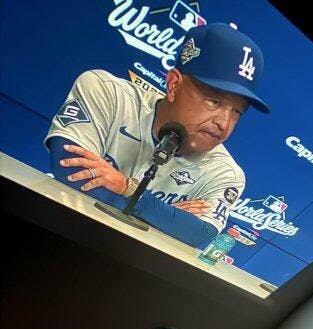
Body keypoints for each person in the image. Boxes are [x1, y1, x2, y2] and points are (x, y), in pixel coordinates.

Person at [45, 22, 270, 248]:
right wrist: (165, 216)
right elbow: (69, 168)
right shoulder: (107, 92)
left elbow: (199, 234)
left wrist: (127, 188)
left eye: (237, 112)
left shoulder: (227, 173)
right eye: (214, 101)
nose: (224, 123)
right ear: (174, 84)